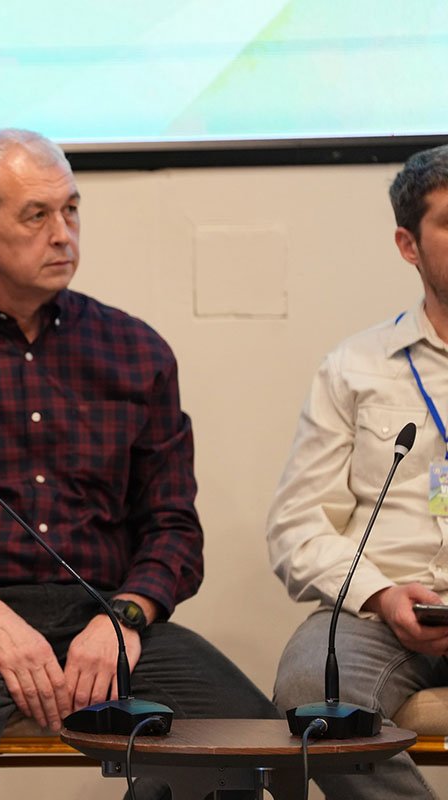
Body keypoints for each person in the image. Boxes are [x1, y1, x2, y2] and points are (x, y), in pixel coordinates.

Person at [0, 128, 277, 799]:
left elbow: (172, 527)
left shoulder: (136, 352)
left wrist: (124, 617)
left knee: (245, 736)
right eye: (36, 215)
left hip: (106, 609)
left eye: (71, 210)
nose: (63, 234)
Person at [269, 144, 448, 799]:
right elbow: (295, 527)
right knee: (308, 690)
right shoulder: (355, 367)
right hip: (380, 615)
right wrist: (381, 594)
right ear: (408, 244)